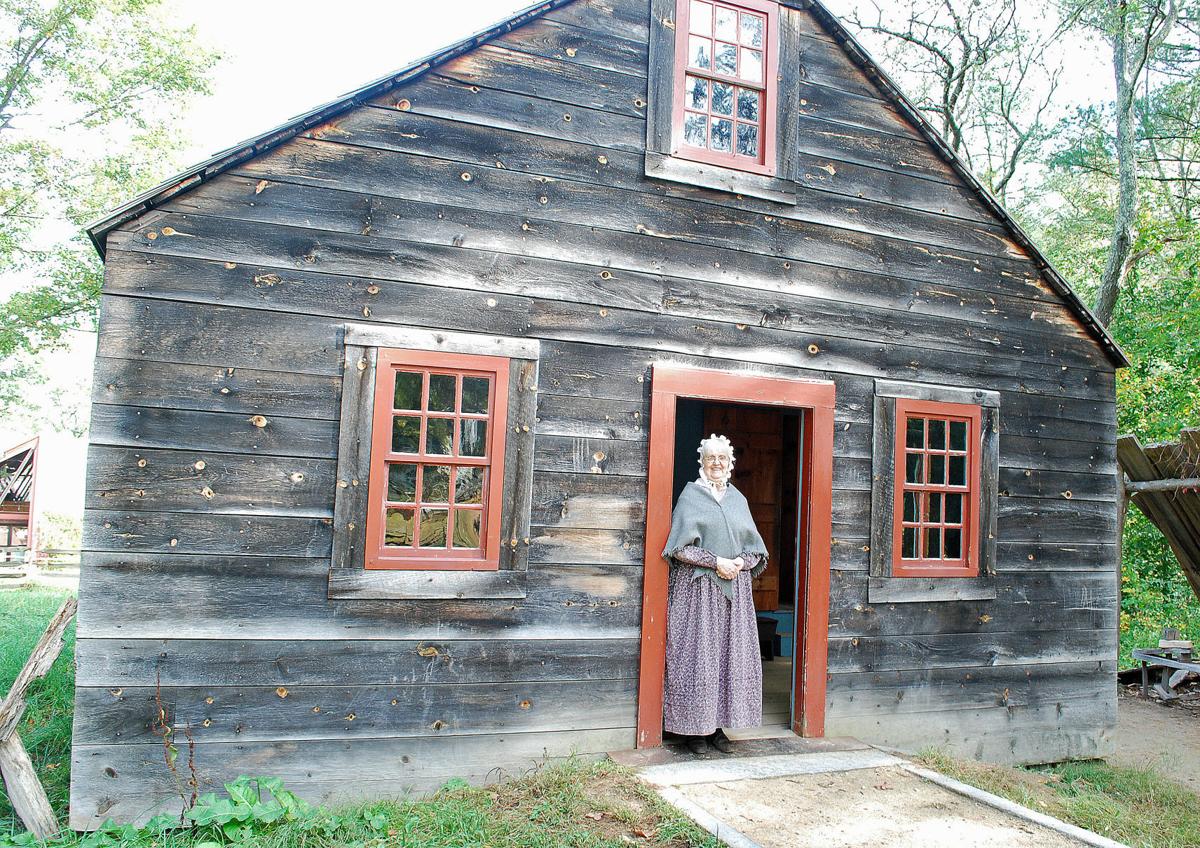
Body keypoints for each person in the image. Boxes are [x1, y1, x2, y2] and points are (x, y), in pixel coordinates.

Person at [662, 433, 768, 754]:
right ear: (702, 462)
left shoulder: (738, 500)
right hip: (698, 593)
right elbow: (678, 547)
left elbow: (756, 550)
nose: (717, 464)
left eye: (722, 458)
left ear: (730, 462)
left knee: (725, 658)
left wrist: (739, 563)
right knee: (699, 657)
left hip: (733, 594)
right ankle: (694, 732)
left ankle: (718, 728)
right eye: (711, 458)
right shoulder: (690, 496)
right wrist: (714, 561)